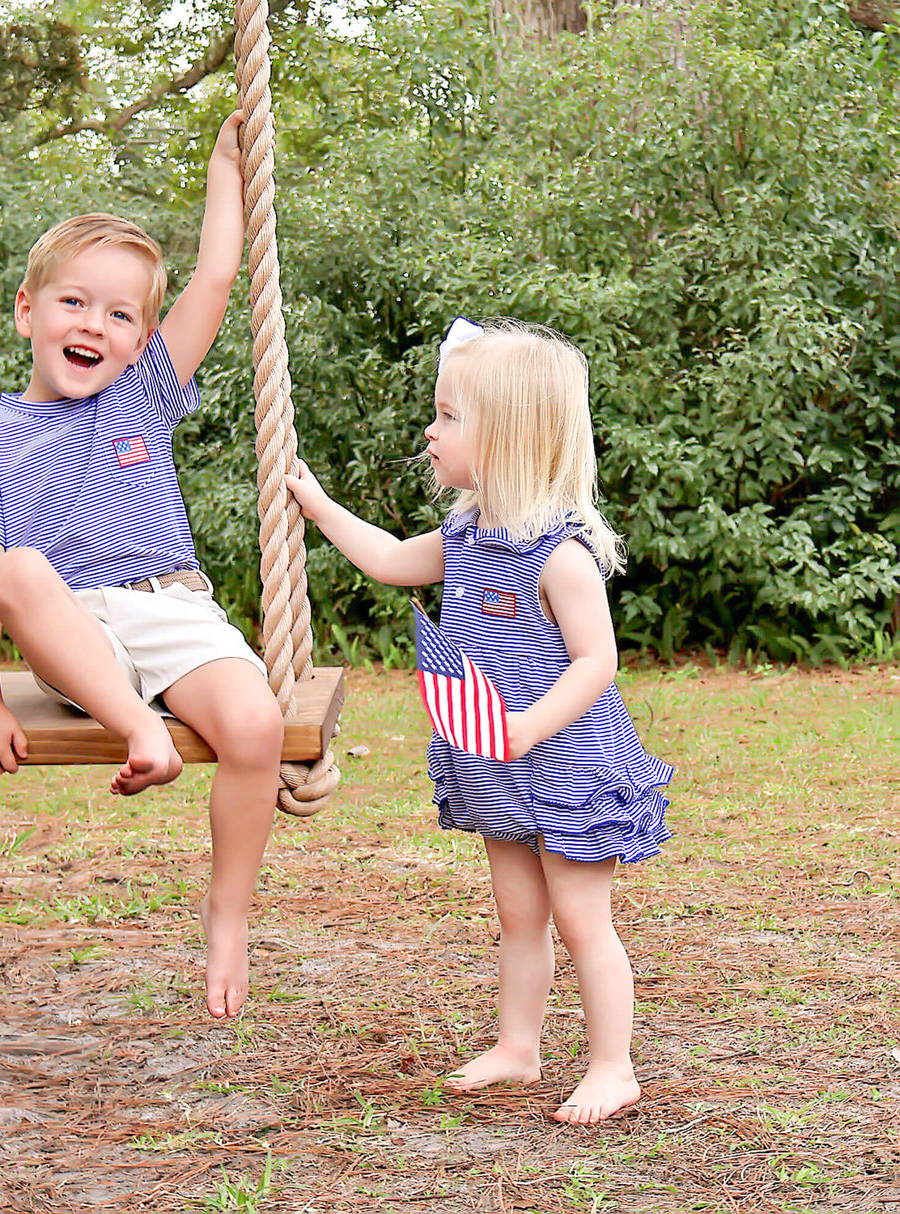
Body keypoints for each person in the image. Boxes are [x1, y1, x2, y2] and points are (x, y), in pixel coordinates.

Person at [0, 112, 285, 1021]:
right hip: (71, 637)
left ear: (141, 339)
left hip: (169, 608)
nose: (95, 323)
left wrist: (224, 168)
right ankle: (143, 731)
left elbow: (215, 274)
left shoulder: (143, 392)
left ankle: (229, 915)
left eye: (121, 313)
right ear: (27, 311)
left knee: (255, 726)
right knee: (17, 572)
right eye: (74, 302)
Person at [284, 318, 672, 1124]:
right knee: (519, 916)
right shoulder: (465, 538)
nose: (430, 429)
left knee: (580, 920)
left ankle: (613, 1065)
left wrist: (531, 724)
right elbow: (391, 559)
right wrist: (318, 508)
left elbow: (596, 663)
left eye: (450, 415)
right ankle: (518, 1046)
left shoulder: (557, 556)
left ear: (511, 437)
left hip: (564, 762)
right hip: (495, 758)